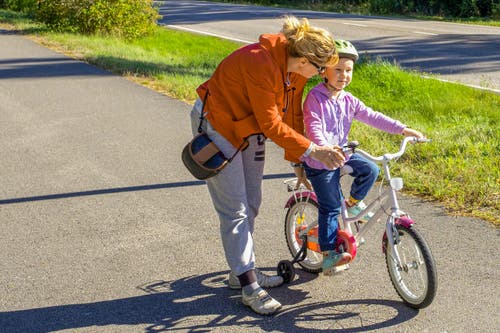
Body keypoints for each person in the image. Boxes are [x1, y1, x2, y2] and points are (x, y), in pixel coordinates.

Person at [189, 16, 344, 315]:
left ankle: (240, 271)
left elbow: (292, 117)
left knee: (253, 202)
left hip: (249, 129)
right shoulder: (260, 63)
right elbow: (271, 124)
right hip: (219, 126)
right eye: (319, 68)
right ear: (304, 60)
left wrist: (298, 160)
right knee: (234, 208)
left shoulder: (295, 71)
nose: (320, 74)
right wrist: (315, 150)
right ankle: (249, 286)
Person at [300, 39, 425, 276]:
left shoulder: (348, 99)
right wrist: (325, 148)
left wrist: (403, 129)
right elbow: (313, 126)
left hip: (343, 155)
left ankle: (352, 204)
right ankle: (328, 254)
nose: (344, 75)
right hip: (321, 160)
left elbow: (372, 116)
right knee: (329, 207)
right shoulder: (315, 98)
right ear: (323, 70)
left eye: (348, 70)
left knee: (371, 170)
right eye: (338, 69)